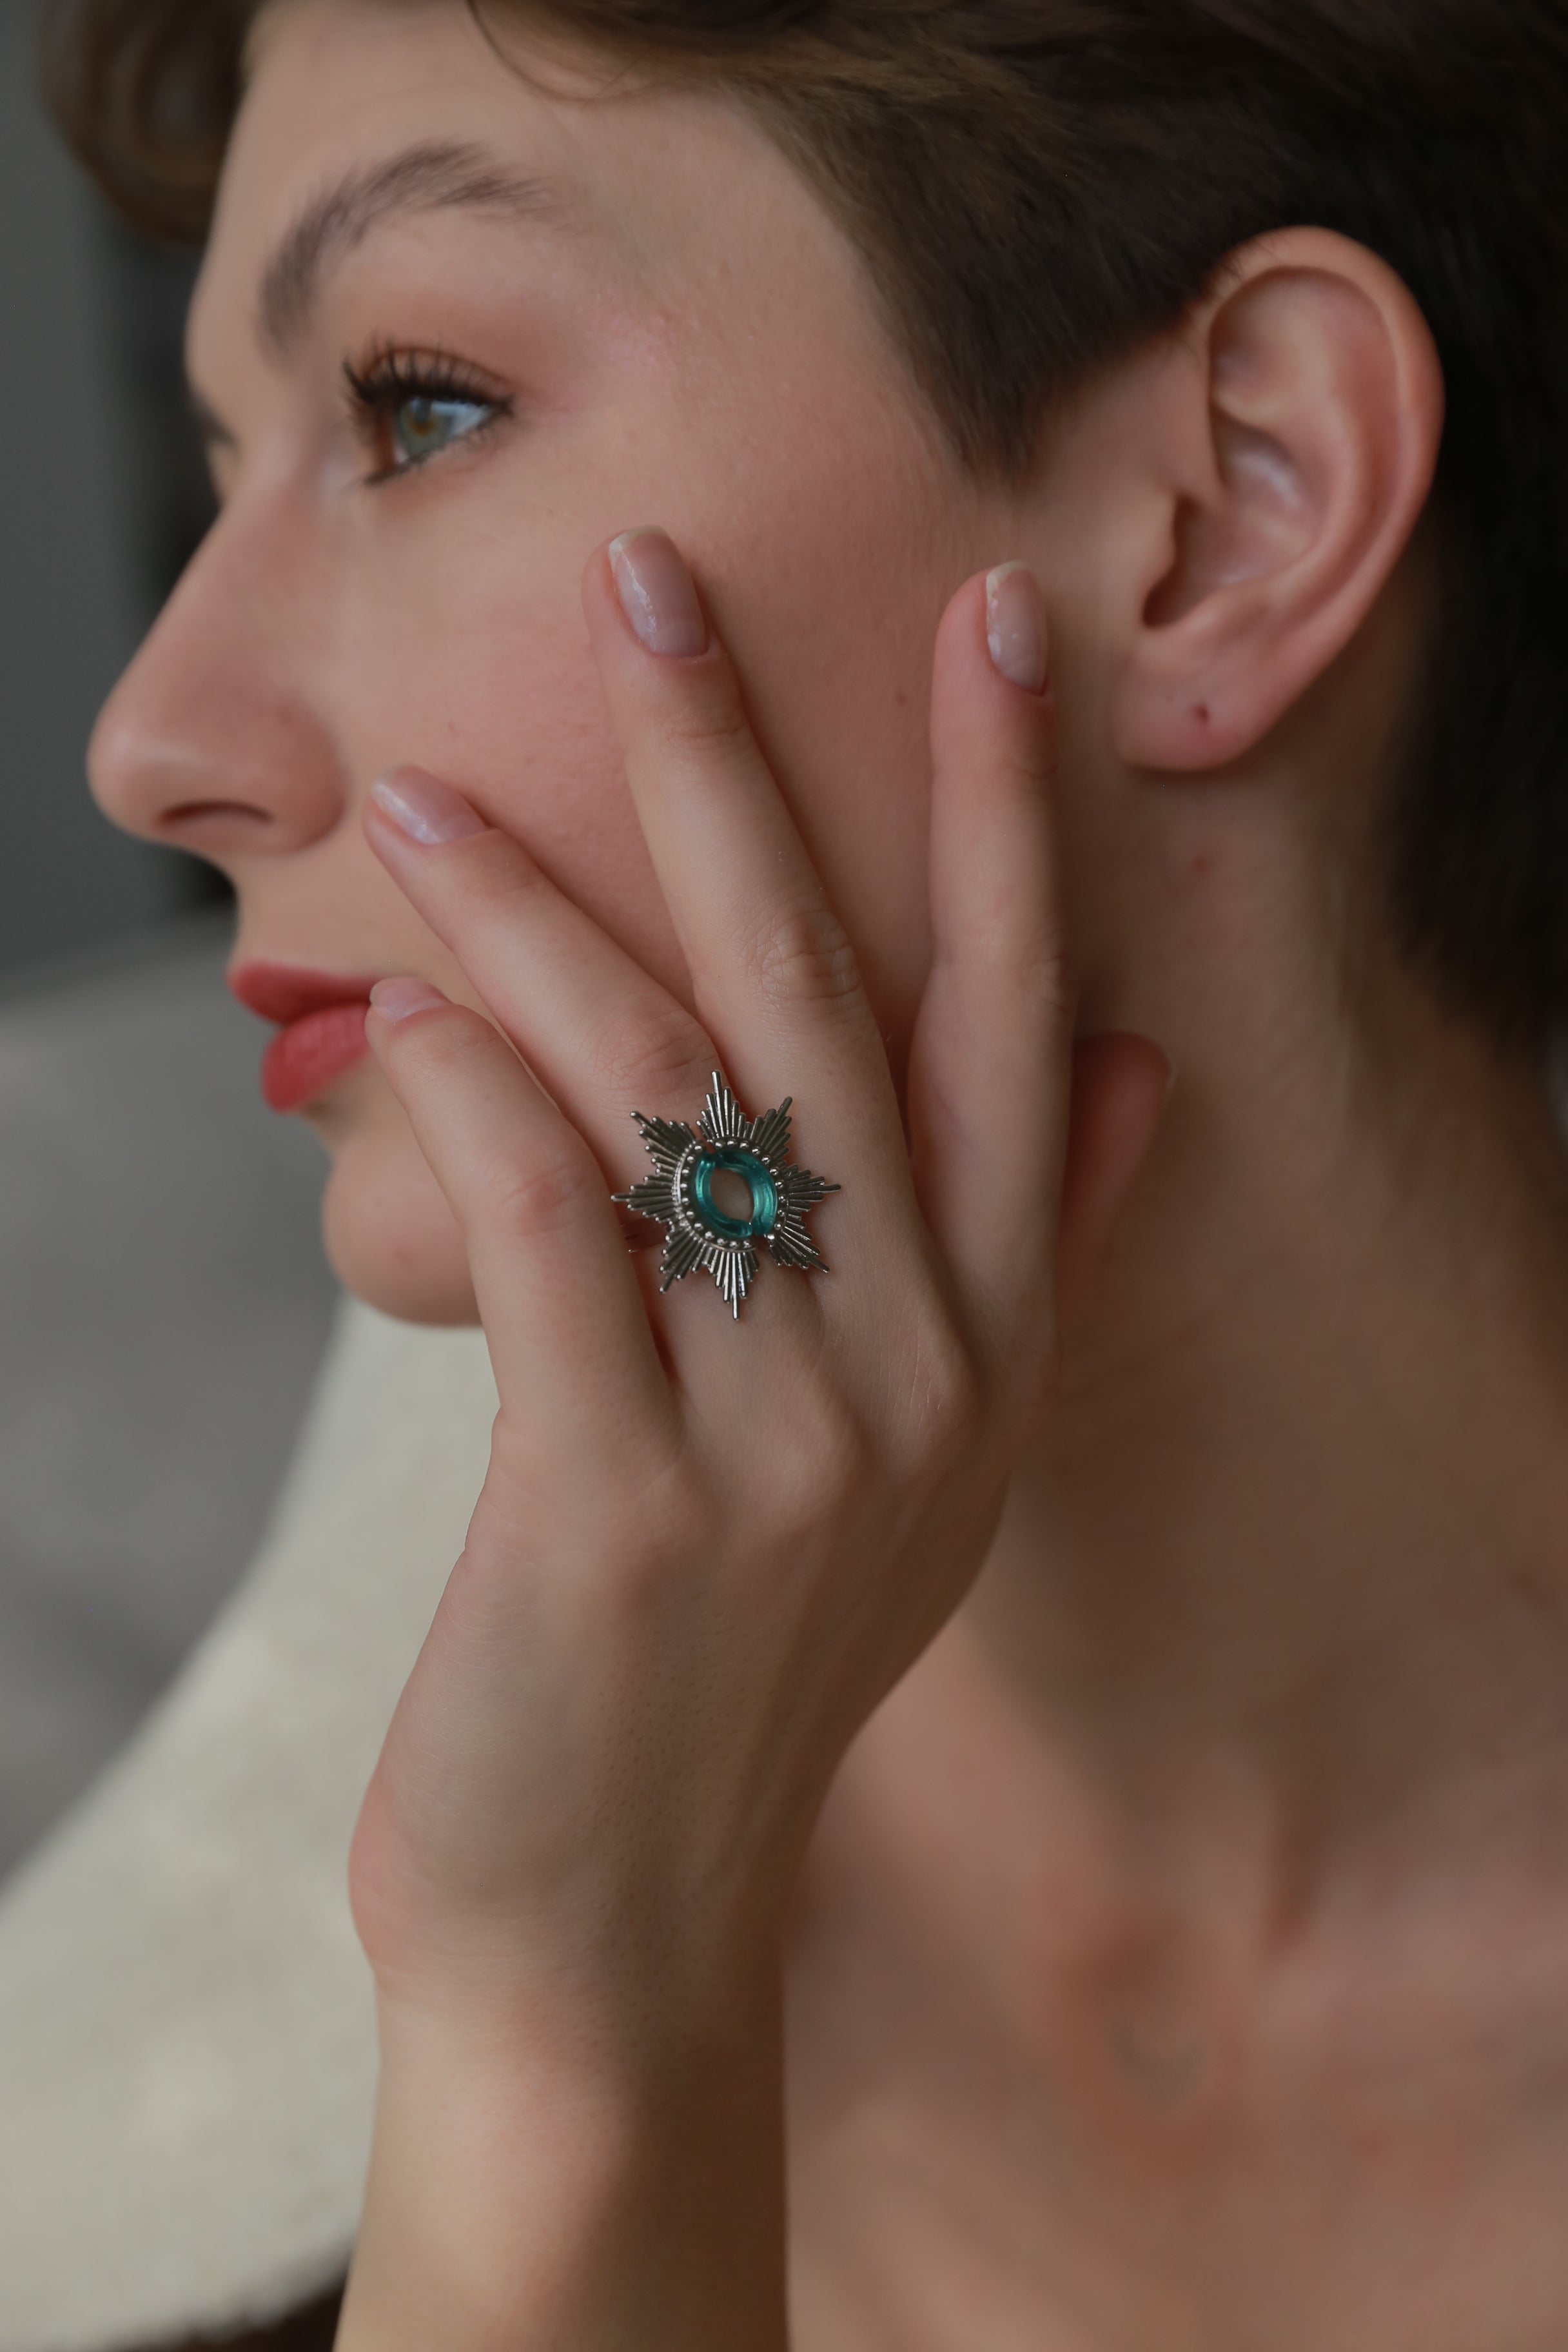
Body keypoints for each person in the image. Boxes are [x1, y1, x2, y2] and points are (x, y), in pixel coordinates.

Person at [35, 0, 1568, 2340]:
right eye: (223, 460)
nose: (157, 742)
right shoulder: (167, 2099)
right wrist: (552, 2052)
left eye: (415, 406)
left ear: (1235, 508)